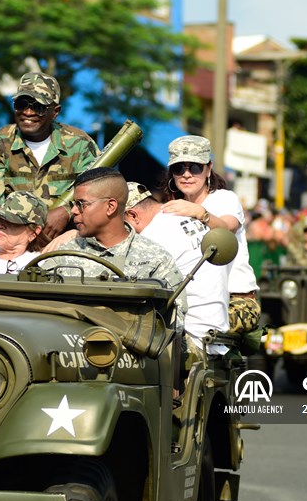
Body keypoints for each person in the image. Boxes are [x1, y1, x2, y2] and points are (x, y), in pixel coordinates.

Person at [0, 71, 99, 249]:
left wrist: (66, 212)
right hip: (10, 243)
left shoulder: (80, 145)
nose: (28, 112)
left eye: (38, 107)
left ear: (55, 111)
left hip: (66, 243)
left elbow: (96, 195)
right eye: (21, 104)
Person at [160, 135, 260, 336]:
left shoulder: (225, 199)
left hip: (236, 303)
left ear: (208, 168)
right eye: (179, 168)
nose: (187, 175)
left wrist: (200, 213)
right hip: (190, 303)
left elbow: (226, 228)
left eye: (195, 167)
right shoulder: (172, 207)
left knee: (180, 332)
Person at [39, 168, 185, 300]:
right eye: (73, 204)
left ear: (110, 207)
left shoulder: (156, 259)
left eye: (81, 204)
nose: (74, 211)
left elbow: (172, 317)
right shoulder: (63, 255)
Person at [124, 181, 227, 355]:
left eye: (123, 224)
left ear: (133, 216)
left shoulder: (152, 236)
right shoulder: (183, 216)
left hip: (190, 341)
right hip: (214, 332)